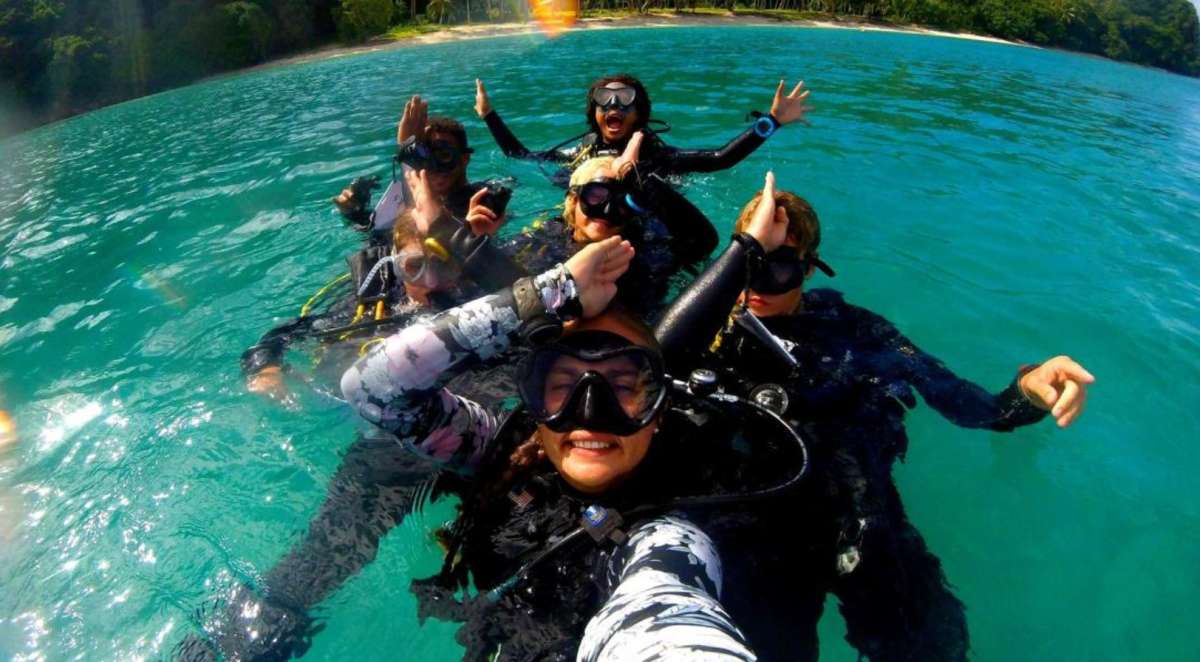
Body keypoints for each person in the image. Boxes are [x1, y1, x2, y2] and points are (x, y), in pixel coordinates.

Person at [654, 173, 1095, 661]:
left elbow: (974, 409)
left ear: (810, 269)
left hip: (864, 523)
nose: (759, 286)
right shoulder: (699, 332)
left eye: (779, 268)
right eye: (751, 264)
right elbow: (648, 367)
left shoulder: (860, 331)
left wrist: (1028, 392)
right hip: (754, 534)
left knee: (934, 650)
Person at [338, 232, 767, 662]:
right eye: (563, 386)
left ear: (657, 410)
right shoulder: (499, 449)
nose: (590, 412)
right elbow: (374, 389)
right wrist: (547, 292)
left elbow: (667, 613)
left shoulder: (668, 535)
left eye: (620, 386)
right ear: (534, 403)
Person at [503, 131, 717, 318]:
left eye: (622, 202)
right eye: (596, 196)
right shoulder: (543, 239)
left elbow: (702, 243)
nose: (608, 211)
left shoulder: (644, 248)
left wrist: (646, 183)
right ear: (573, 200)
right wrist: (475, 239)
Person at [474, 73, 812, 183]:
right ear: (594, 114)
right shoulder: (581, 152)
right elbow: (519, 155)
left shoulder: (657, 157)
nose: (614, 107)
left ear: (641, 114)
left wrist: (772, 121)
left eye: (625, 101)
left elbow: (720, 158)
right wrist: (489, 114)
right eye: (604, 101)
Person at [333, 102, 507, 245]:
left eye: (444, 156)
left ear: (464, 159)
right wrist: (356, 214)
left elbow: (445, 245)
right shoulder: (404, 202)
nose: (433, 168)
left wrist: (407, 160)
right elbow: (383, 239)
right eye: (423, 158)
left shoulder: (483, 197)